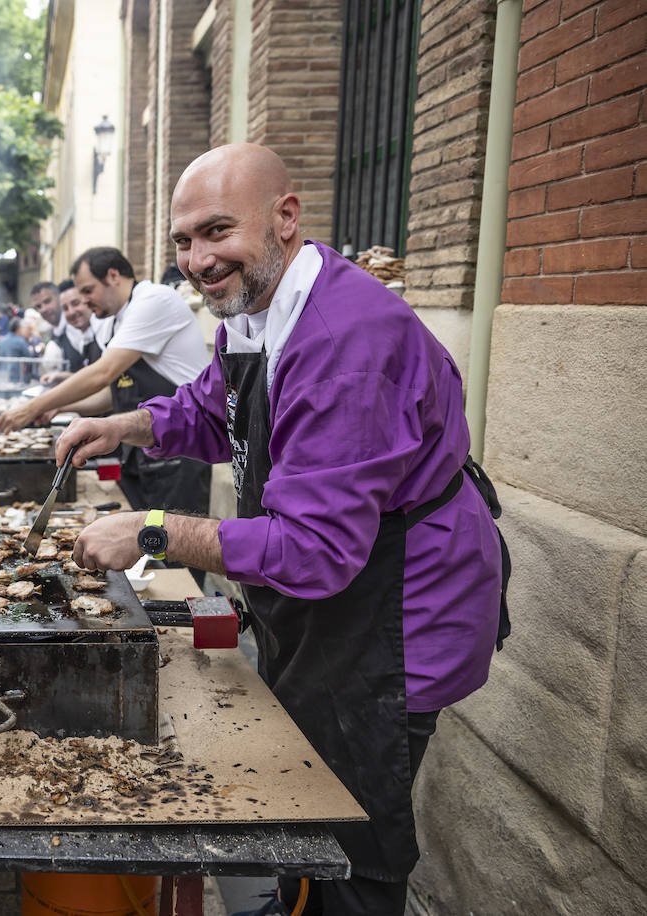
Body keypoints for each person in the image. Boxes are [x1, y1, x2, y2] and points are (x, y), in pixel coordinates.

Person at [57, 144, 506, 916]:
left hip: (398, 613)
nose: (198, 260)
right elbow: (208, 408)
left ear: (285, 217)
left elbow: (315, 550)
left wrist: (153, 531)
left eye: (217, 231)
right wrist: (122, 425)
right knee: (310, 790)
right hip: (341, 597)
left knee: (353, 827)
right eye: (183, 241)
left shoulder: (345, 345)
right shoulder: (257, 305)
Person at [0, 246, 212, 521]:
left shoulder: (154, 300)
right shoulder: (116, 320)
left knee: (174, 549)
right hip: (141, 448)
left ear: (112, 276)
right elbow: (116, 393)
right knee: (145, 546)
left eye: (87, 291)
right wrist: (59, 408)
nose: (84, 302)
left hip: (181, 447)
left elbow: (103, 373)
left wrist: (29, 408)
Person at [40, 278, 100, 384]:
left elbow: (103, 379)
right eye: (65, 308)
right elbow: (91, 377)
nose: (71, 312)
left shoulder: (103, 332)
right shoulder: (81, 340)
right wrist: (62, 376)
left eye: (76, 303)